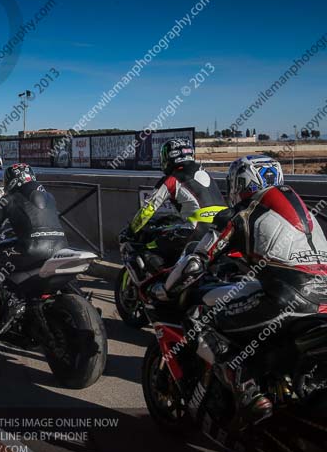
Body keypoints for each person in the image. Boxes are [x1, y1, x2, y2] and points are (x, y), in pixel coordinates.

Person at [150, 155, 327, 426]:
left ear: (242, 182)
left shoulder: (242, 212)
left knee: (200, 316)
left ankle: (249, 391)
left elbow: (196, 261)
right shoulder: (306, 212)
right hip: (322, 299)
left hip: (289, 295)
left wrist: (165, 288)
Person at [0, 163, 68, 322]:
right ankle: (82, 298)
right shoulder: (50, 196)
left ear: (10, 182)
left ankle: (12, 303)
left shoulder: (8, 199)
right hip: (62, 246)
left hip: (33, 249)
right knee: (64, 272)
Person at [123, 138, 226, 261]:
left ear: (169, 157)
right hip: (222, 227)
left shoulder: (172, 179)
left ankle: (167, 280)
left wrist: (131, 231)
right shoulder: (205, 173)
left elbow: (148, 209)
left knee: (149, 249)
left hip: (197, 228)